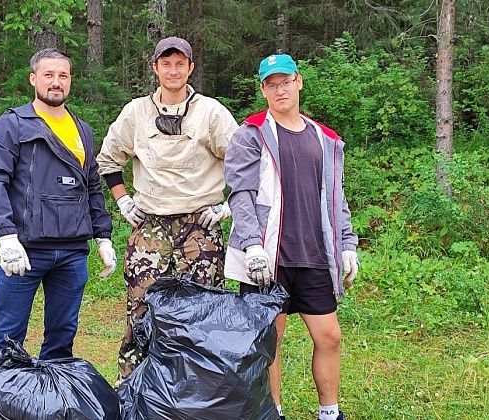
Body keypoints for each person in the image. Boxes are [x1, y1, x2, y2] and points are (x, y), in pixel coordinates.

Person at [224, 53, 359, 420]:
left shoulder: (325, 139)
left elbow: (336, 197)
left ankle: (329, 413)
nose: (279, 89)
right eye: (271, 84)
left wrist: (347, 244)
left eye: (285, 81)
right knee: (271, 342)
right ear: (263, 90)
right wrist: (252, 245)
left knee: (329, 336)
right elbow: (241, 194)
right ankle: (274, 412)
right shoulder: (250, 133)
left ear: (299, 81)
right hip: (268, 258)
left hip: (315, 254)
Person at [97, 36, 239, 380]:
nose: (173, 70)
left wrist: (227, 207)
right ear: (155, 68)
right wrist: (123, 199)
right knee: (141, 309)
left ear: (190, 68)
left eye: (180, 64)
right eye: (166, 63)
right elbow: (107, 159)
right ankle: (132, 388)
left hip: (200, 227)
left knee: (203, 311)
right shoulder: (136, 113)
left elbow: (246, 164)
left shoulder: (211, 113)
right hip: (151, 226)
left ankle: (201, 391)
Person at [0, 48, 116, 373]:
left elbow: (91, 186)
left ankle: (49, 403)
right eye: (48, 75)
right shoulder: (12, 125)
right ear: (33, 79)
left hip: (72, 255)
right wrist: (6, 236)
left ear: (70, 81)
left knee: (62, 339)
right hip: (23, 252)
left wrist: (103, 236)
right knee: (8, 338)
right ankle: (0, 405)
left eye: (63, 75)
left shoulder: (82, 130)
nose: (56, 82)